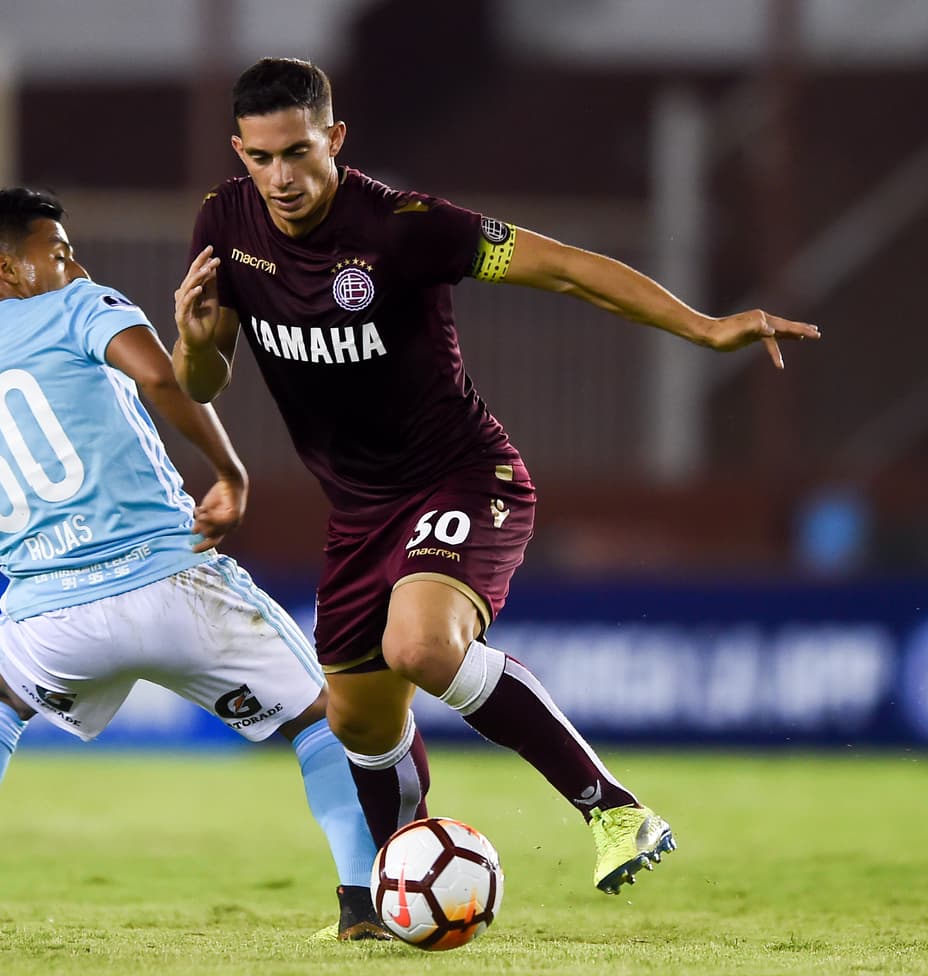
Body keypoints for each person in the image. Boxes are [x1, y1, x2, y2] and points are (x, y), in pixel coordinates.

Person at [172, 57, 821, 895]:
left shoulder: (403, 227)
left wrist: (703, 328)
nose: (280, 177)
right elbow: (202, 382)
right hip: (359, 513)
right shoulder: (224, 222)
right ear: (238, 151)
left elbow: (564, 266)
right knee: (359, 724)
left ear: (333, 138)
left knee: (420, 645)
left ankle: (616, 810)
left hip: (464, 479)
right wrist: (191, 342)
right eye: (260, 158)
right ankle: (389, 893)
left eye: (296, 152)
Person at [0, 187, 388, 941]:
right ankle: (361, 904)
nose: (75, 261)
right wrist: (230, 474)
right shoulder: (79, 306)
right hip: (169, 578)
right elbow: (164, 376)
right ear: (7, 267)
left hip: (50, 618)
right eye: (58, 249)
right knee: (325, 720)